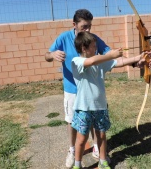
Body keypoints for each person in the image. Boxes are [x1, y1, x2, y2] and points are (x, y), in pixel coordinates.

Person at [71, 32, 151, 169]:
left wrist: (139, 57)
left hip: (100, 106)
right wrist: (110, 55)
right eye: (93, 46)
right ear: (84, 48)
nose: (96, 49)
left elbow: (118, 62)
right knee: (81, 138)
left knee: (101, 135)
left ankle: (103, 161)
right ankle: (77, 164)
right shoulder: (76, 61)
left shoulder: (100, 62)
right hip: (84, 108)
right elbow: (91, 61)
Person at [45, 9, 111, 168]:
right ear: (74, 25)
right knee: (72, 121)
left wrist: (132, 60)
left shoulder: (92, 38)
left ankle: (96, 147)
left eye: (90, 26)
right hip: (72, 89)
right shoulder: (64, 38)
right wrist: (53, 55)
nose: (88, 30)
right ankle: (73, 150)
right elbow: (47, 55)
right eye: (84, 27)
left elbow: (107, 52)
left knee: (96, 119)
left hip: (90, 90)